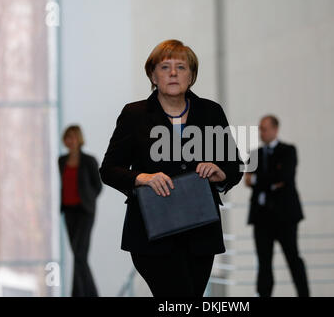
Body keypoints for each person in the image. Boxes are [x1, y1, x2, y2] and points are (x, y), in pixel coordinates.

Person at [99, 39, 244, 297]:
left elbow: (234, 167)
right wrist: (142, 177)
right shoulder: (134, 114)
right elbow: (109, 169)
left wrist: (221, 173)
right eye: (165, 67)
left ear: (192, 75)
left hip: (201, 232)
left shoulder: (211, 112)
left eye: (181, 67)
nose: (174, 73)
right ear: (153, 75)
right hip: (151, 234)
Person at [245, 115, 309, 297]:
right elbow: (248, 180)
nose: (261, 133)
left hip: (285, 216)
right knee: (264, 262)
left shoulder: (288, 150)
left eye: (264, 129)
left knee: (293, 258)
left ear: (275, 129)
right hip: (261, 217)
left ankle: (304, 293)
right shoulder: (255, 154)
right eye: (259, 129)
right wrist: (271, 179)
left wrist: (258, 179)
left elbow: (284, 178)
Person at [58, 125, 102, 297]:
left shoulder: (89, 160)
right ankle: (79, 293)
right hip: (68, 211)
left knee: (80, 254)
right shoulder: (61, 161)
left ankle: (90, 294)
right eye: (68, 137)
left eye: (74, 137)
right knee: (77, 255)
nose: (71, 141)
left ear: (79, 139)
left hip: (85, 211)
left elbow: (97, 186)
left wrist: (88, 199)